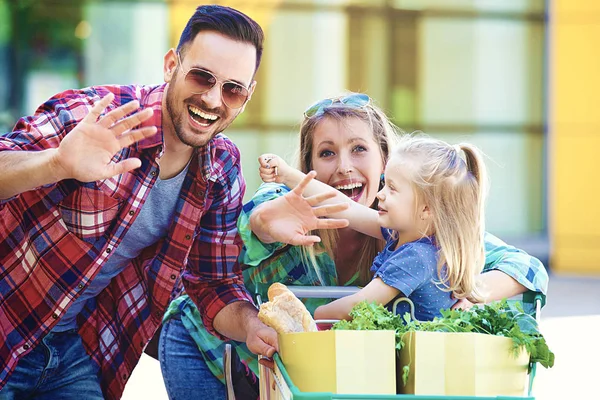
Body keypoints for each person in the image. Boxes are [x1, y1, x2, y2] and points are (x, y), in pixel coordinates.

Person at [0, 5, 306, 400]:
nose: (213, 99)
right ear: (170, 65)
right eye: (202, 76)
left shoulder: (221, 168)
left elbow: (214, 284)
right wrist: (55, 163)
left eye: (232, 89)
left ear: (246, 97)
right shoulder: (99, 116)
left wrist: (251, 327)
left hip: (67, 349)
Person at [160, 93, 549, 397]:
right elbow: (232, 240)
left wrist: (473, 291)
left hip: (295, 373)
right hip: (211, 346)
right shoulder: (287, 202)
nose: (344, 166)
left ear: (386, 162)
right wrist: (262, 222)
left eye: (359, 149)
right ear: (309, 163)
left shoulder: (408, 231)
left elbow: (524, 267)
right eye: (327, 153)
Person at [262, 134, 489, 321]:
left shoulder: (416, 257)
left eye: (392, 188)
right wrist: (287, 175)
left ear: (427, 208)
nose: (380, 194)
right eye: (384, 184)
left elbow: (356, 306)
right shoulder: (402, 234)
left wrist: (310, 318)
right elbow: (343, 207)